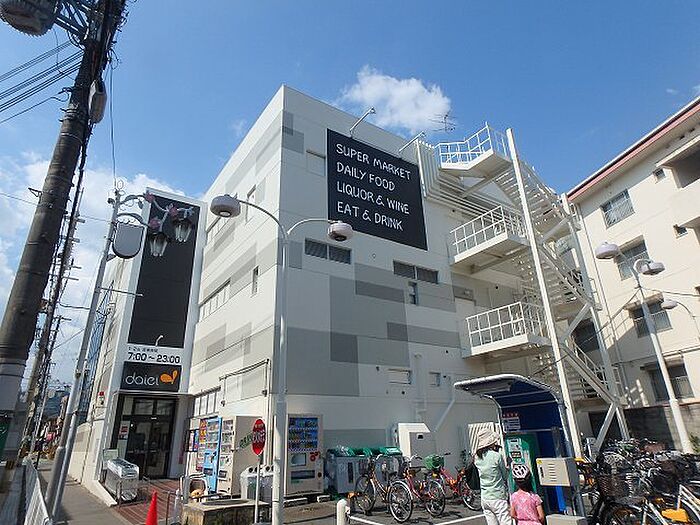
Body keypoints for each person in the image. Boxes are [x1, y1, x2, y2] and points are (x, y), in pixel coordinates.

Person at [474, 429, 511, 525]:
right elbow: (505, 476)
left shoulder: (477, 457)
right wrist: (509, 466)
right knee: (505, 522)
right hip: (497, 496)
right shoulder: (496, 456)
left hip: (485, 497)